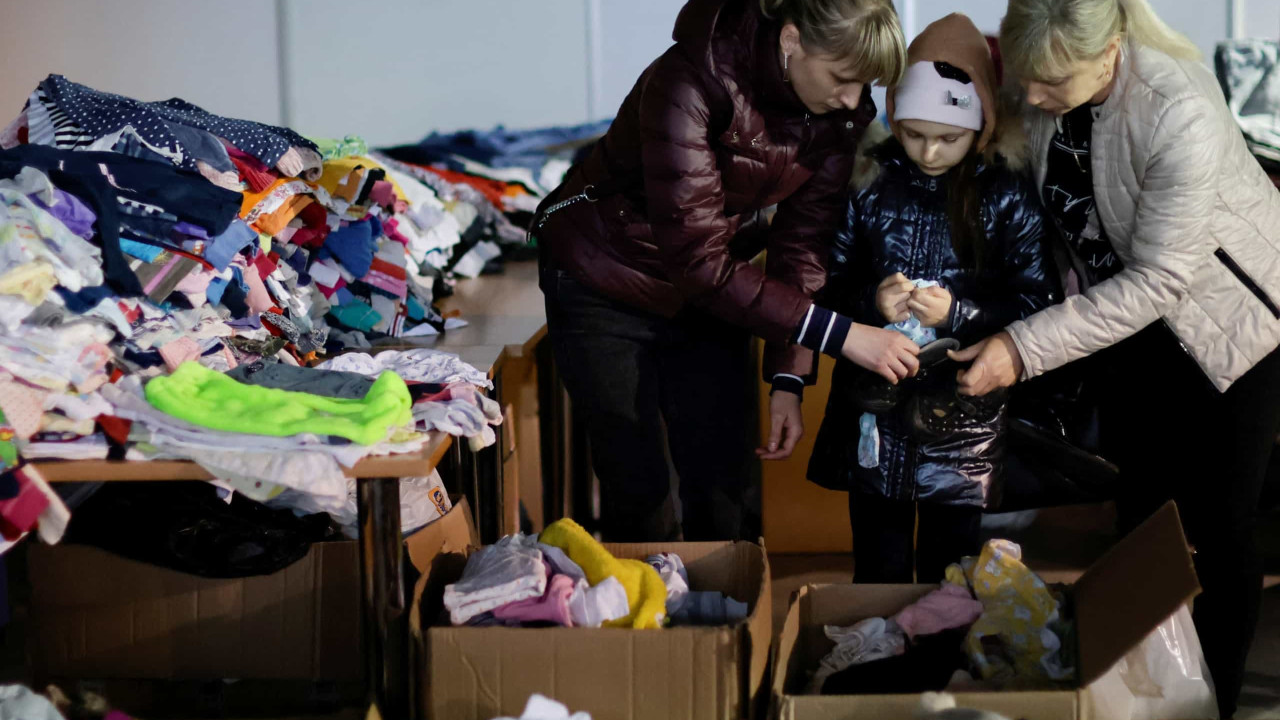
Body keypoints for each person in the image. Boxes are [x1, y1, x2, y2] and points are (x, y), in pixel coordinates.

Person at [953, 0, 1280, 714]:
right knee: (1140, 523)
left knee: (1218, 532)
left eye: (1051, 83)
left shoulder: (1176, 107)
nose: (1032, 97)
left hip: (1234, 333)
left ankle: (1213, 702)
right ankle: (1146, 695)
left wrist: (1019, 349)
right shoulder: (1051, 77)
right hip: (1131, 331)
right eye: (1025, 76)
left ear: (1109, 54)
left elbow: (1162, 279)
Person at [534, 0, 921, 543]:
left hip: (712, 288)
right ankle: (648, 622)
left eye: (866, 85)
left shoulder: (839, 116)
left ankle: (722, 620)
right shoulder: (688, 82)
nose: (854, 100)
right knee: (638, 481)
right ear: (791, 40)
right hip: (605, 274)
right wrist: (842, 336)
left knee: (724, 479)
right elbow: (698, 259)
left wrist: (788, 376)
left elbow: (802, 242)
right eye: (842, 78)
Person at [807, 13, 1058, 583]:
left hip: (964, 420)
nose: (928, 151)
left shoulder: (1006, 194)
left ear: (983, 124)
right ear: (892, 114)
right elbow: (825, 284)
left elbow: (1040, 303)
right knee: (877, 565)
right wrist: (872, 301)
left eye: (949, 137)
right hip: (874, 412)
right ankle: (877, 665)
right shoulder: (868, 181)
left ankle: (938, 667)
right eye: (913, 132)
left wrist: (960, 315)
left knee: (952, 571)